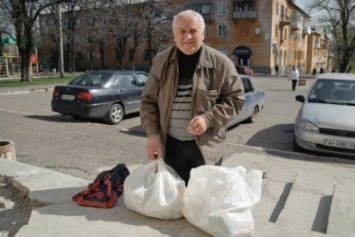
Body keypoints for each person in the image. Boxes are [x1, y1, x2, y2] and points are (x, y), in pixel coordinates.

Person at [140, 10, 245, 185]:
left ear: (203, 34)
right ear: (174, 36)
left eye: (193, 31)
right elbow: (148, 101)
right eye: (182, 31)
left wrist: (208, 118)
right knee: (174, 202)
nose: (187, 36)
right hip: (171, 149)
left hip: (206, 149)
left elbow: (236, 99)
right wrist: (152, 136)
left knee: (203, 202)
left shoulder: (222, 63)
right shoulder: (161, 62)